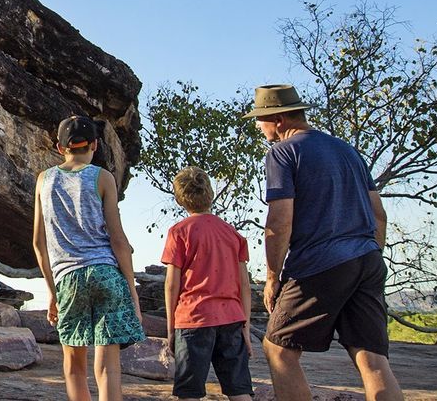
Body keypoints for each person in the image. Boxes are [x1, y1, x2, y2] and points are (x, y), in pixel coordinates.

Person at [242, 84, 402, 401]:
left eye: (260, 119)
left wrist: (273, 276)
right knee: (370, 356)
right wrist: (369, 256)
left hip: (321, 262)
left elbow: (279, 221)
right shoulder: (347, 151)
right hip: (368, 259)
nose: (259, 127)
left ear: (279, 118)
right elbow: (378, 215)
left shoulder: (283, 152)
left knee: (278, 349)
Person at [32, 115, 145, 401]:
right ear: (94, 145)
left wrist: (52, 291)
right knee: (108, 368)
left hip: (67, 279)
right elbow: (118, 240)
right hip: (106, 273)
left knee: (74, 367)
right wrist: (131, 289)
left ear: (60, 148)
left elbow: (38, 243)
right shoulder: (103, 177)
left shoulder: (44, 180)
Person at [160, 166, 254, 401]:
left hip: (193, 319)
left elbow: (172, 284)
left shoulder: (178, 232)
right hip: (231, 318)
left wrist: (171, 329)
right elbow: (244, 285)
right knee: (239, 391)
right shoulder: (233, 234)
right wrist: (247, 327)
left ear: (180, 200)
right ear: (210, 194)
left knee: (189, 393)